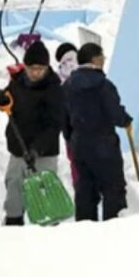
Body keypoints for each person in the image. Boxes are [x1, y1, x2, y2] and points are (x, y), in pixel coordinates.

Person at [0, 41, 63, 226]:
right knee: (14, 189)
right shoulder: (17, 84)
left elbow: (55, 125)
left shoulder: (54, 90)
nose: (36, 72)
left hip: (44, 152)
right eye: (32, 68)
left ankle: (49, 233)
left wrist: (37, 149)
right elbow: (4, 102)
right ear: (25, 66)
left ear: (47, 67)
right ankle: (14, 224)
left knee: (45, 195)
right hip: (18, 150)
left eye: (40, 68)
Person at [62, 42, 132, 222]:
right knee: (112, 188)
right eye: (102, 57)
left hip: (80, 144)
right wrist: (126, 120)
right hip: (104, 144)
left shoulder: (68, 85)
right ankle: (114, 228)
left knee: (85, 189)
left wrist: (71, 138)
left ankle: (85, 229)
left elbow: (63, 116)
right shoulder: (103, 85)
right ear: (95, 59)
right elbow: (115, 114)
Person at [55, 42, 80, 186]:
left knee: (74, 158)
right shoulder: (86, 68)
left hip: (69, 126)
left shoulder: (60, 75)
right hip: (87, 124)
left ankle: (78, 183)